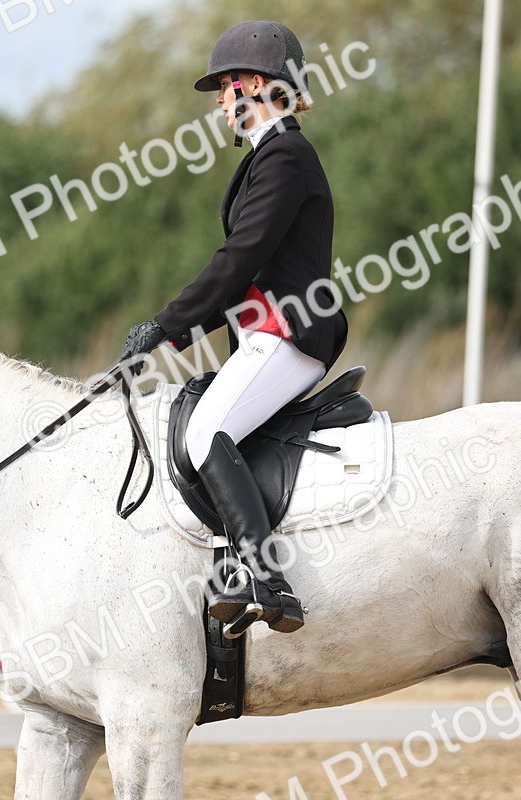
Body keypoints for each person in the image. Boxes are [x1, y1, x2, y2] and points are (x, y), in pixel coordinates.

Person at [121, 20, 347, 637]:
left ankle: (266, 577)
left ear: (254, 85)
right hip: (264, 333)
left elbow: (239, 260)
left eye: (225, 87)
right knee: (210, 425)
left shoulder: (287, 157)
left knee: (204, 432)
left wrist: (165, 327)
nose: (220, 101)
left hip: (291, 331)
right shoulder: (267, 159)